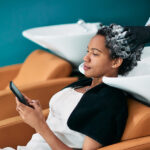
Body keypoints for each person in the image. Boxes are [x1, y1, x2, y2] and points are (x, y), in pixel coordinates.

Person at [2, 23, 150, 150]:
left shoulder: (110, 100)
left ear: (116, 62)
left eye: (95, 53)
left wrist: (39, 124)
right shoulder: (85, 82)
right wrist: (38, 115)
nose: (86, 57)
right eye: (87, 51)